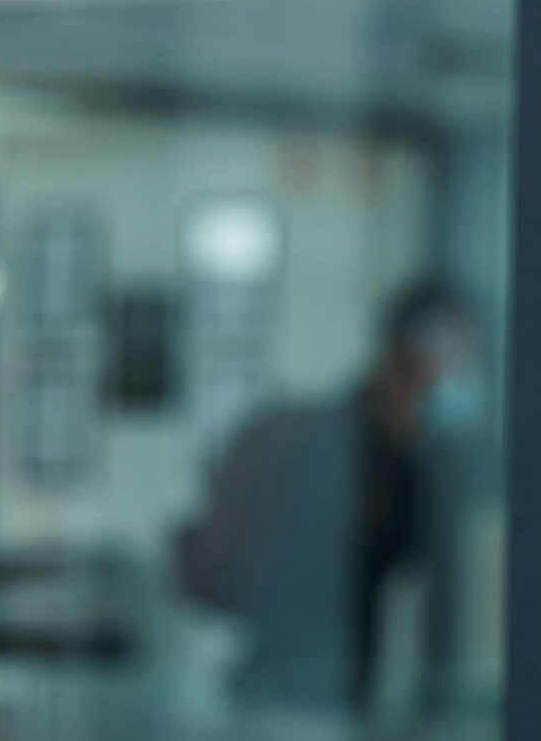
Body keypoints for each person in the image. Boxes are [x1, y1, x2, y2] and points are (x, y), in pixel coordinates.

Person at [179, 280, 486, 713]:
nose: (466, 376)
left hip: (340, 698)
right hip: (295, 699)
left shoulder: (412, 456)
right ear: (422, 352)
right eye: (461, 360)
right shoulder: (328, 447)